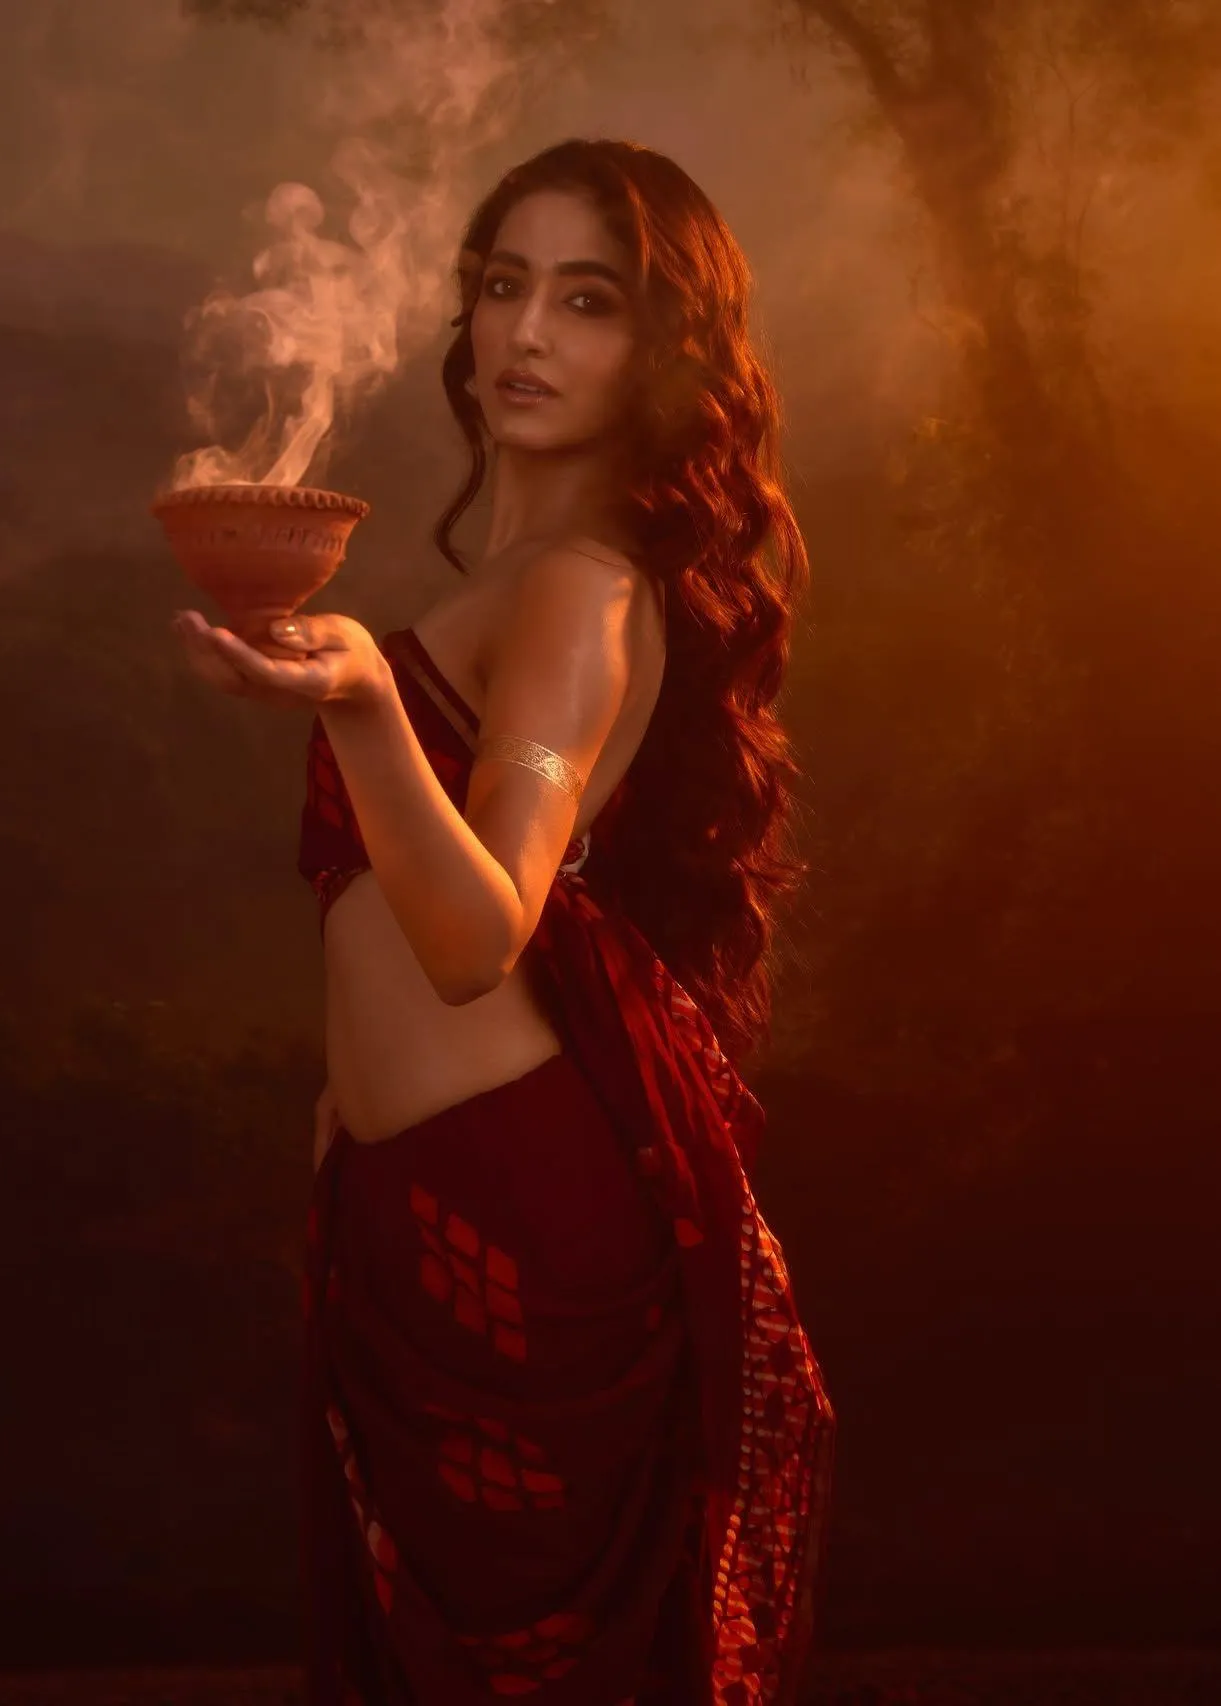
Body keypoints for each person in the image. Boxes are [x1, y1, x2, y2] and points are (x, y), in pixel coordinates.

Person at [173, 138, 834, 1706]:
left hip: (523, 1237)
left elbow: (481, 932)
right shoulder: (533, 573)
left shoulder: (583, 593)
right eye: (503, 286)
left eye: (587, 300)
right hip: (419, 1208)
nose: (527, 333)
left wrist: (354, 703)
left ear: (666, 346)